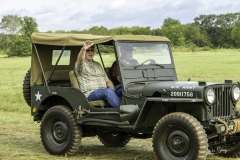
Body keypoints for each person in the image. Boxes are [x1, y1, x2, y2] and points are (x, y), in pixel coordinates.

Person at [75, 40, 121, 108]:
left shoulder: (98, 64)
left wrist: (112, 87)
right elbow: (80, 62)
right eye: (88, 50)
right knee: (108, 92)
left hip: (104, 90)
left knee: (125, 87)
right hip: (91, 93)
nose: (90, 52)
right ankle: (124, 111)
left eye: (92, 50)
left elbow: (107, 80)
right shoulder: (80, 65)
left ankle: (137, 108)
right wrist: (83, 49)